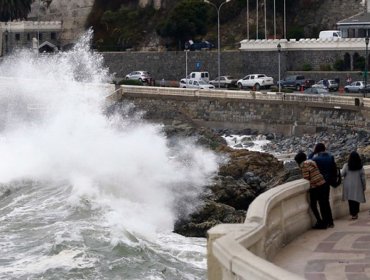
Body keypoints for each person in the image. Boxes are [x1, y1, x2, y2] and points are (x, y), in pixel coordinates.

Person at [295, 151, 328, 229]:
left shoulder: (304, 166)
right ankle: (325, 222)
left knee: (313, 205)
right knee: (322, 204)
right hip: (322, 183)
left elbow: (306, 178)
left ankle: (320, 222)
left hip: (315, 186)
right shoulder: (312, 162)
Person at [308, 143, 335, 228]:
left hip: (320, 183)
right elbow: (333, 169)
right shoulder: (331, 157)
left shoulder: (316, 159)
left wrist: (313, 152)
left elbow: (308, 161)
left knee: (321, 203)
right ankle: (330, 222)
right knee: (326, 202)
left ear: (317, 149)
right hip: (328, 182)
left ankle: (324, 222)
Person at [341, 151, 366, 220]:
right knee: (356, 200)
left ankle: (353, 214)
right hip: (358, 185)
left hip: (348, 185)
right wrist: (364, 186)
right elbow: (363, 178)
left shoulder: (346, 165)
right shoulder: (360, 166)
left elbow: (342, 174)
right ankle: (356, 213)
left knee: (351, 200)